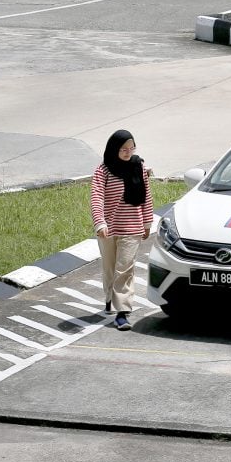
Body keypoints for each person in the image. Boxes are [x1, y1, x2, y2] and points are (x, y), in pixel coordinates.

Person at [90, 130, 153, 331]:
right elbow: (97, 197)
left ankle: (122, 312)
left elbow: (146, 196)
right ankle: (110, 298)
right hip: (108, 229)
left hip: (132, 227)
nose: (128, 152)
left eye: (131, 148)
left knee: (124, 270)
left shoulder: (139, 167)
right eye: (123, 149)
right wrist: (100, 223)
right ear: (113, 149)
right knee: (109, 268)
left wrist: (147, 223)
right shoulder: (103, 171)